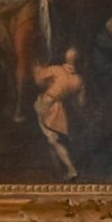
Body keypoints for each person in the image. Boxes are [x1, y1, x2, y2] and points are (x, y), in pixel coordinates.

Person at [32, 49, 86, 181]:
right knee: (53, 140)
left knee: (53, 139)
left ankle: (71, 170)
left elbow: (38, 81)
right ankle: (60, 172)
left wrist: (36, 68)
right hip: (59, 108)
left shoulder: (56, 70)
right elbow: (81, 102)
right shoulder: (79, 79)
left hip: (46, 105)